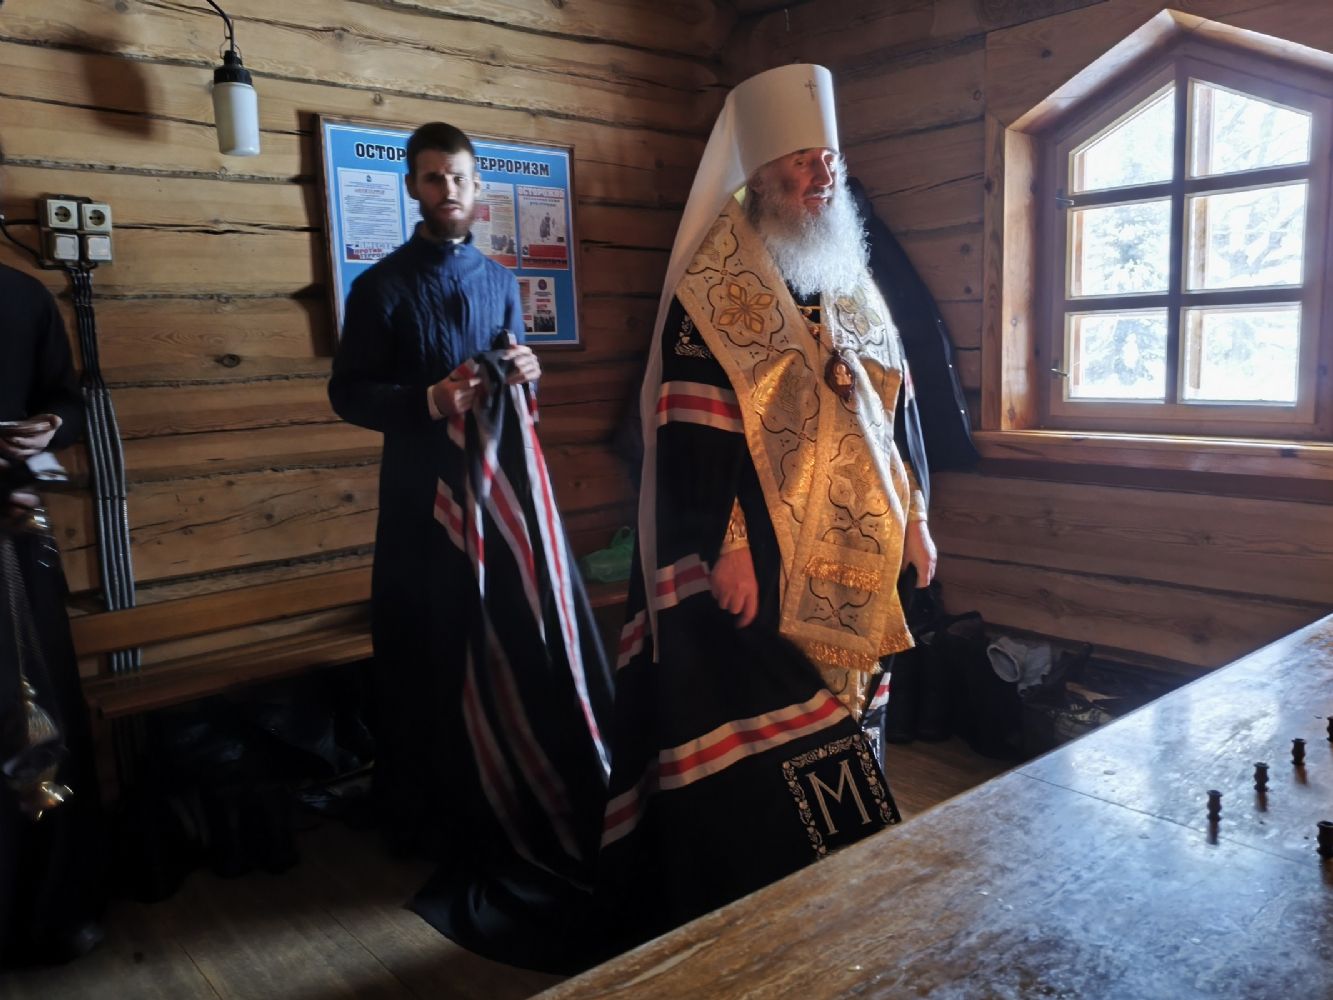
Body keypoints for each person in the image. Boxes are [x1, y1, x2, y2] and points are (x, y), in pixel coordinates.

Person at [598, 64, 937, 945]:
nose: (822, 176)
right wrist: (727, 546)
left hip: (859, 550)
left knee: (856, 711)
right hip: (760, 560)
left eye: (829, 159)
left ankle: (835, 892)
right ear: (758, 175)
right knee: (768, 731)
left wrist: (917, 519)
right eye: (800, 161)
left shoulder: (851, 277)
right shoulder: (712, 288)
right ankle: (762, 905)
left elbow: (896, 414)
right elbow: (691, 427)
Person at [328, 122, 612, 971]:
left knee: (503, 640)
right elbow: (348, 393)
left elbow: (513, 360)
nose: (446, 191)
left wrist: (525, 369)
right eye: (431, 178)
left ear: (476, 184)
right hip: (419, 505)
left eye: (457, 177)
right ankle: (433, 815)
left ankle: (507, 789)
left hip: (494, 501)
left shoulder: (498, 279)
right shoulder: (378, 287)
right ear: (412, 189)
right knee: (428, 651)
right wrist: (427, 401)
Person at [0, 261, 105, 965]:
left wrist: (49, 429)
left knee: (44, 716)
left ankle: (57, 909)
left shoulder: (22, 295)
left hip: (17, 541)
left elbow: (69, 400)